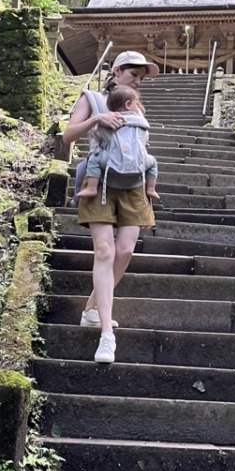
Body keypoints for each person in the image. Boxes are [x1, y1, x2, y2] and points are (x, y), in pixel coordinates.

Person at [62, 51, 160, 363]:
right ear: (116, 71)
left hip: (132, 183)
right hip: (100, 180)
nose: (138, 81)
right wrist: (96, 118)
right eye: (134, 75)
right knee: (104, 251)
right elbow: (67, 136)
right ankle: (107, 334)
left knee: (126, 250)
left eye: (142, 78)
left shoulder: (133, 101)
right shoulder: (91, 97)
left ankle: (92, 307)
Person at [76, 86, 160, 202]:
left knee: (93, 160)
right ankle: (151, 189)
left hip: (111, 162)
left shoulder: (108, 121)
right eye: (136, 104)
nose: (138, 107)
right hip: (139, 162)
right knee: (153, 162)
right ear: (127, 104)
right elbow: (144, 138)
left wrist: (98, 132)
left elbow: (101, 135)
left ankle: (91, 188)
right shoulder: (142, 122)